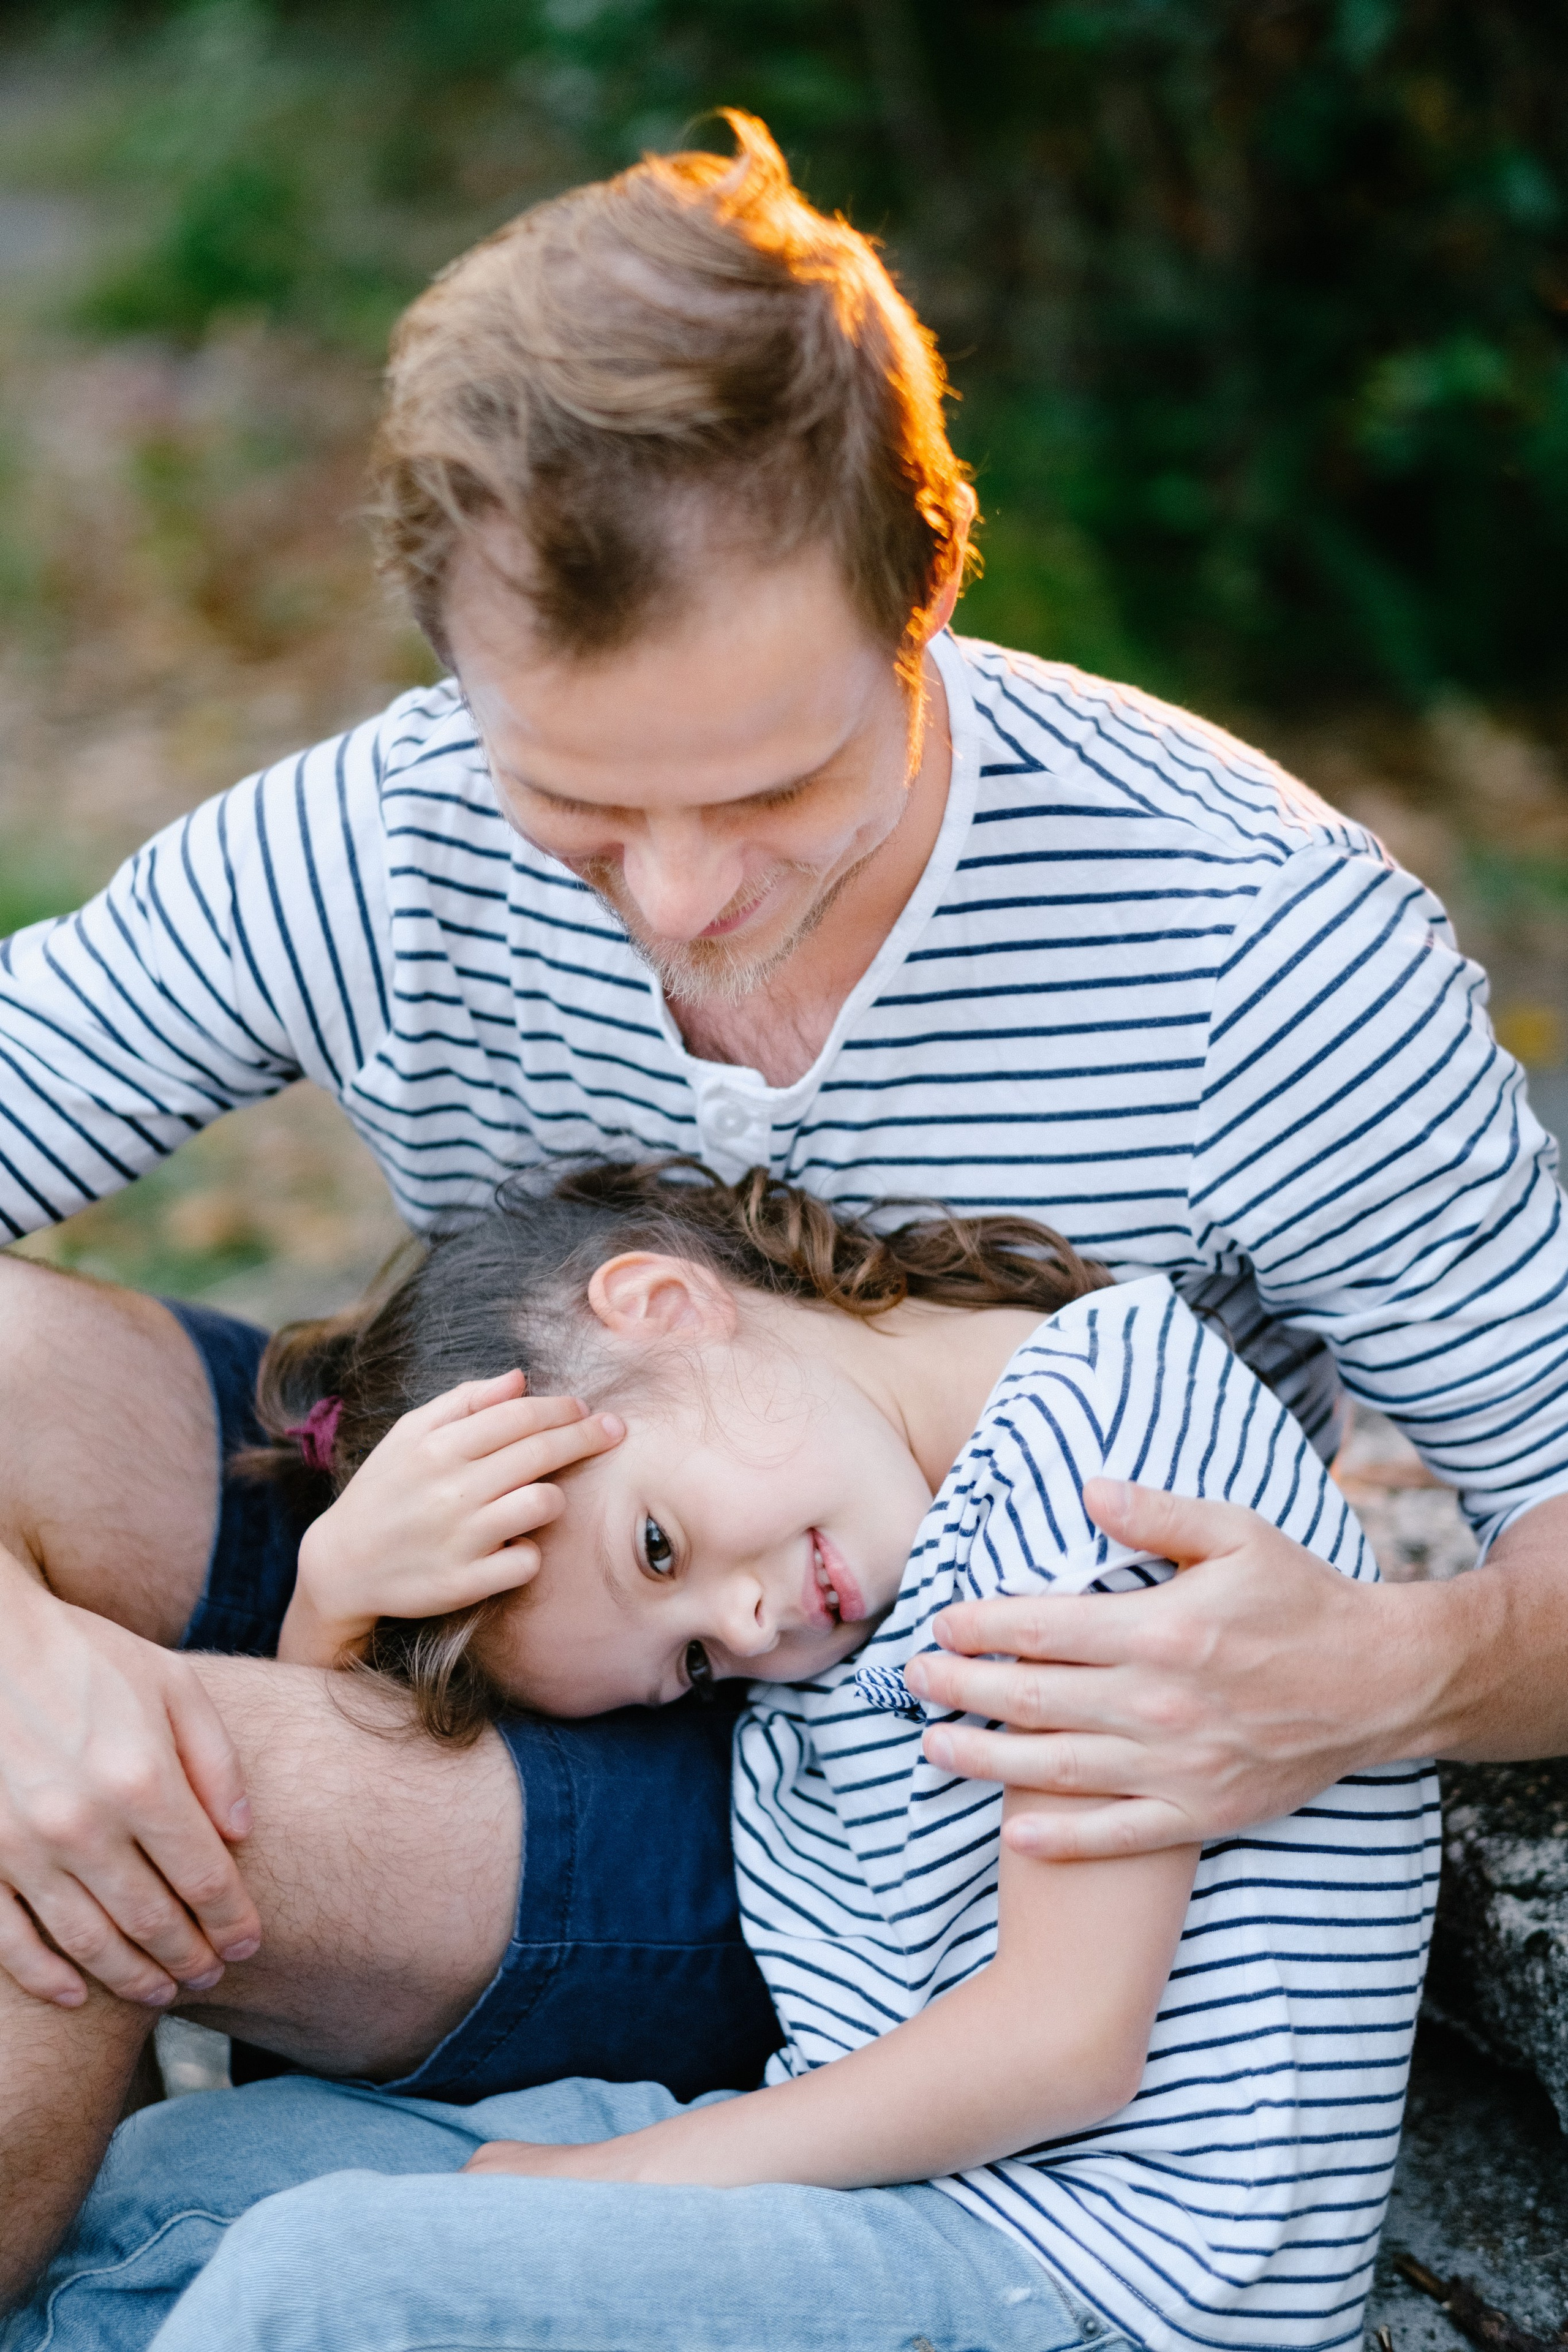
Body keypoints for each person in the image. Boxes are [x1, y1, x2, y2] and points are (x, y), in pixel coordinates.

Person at [0, 107, 1564, 2301]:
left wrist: (1390, 1670)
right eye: (575, 804)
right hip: (532, 1552)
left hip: (906, 1851)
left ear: (929, 599)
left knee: (115, 1813)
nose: (679, 897)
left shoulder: (1258, 953)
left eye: (772, 787)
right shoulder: (376, 838)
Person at [6, 1162, 1436, 2352]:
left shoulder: (1106, 1449)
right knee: (173, 2187)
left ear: (663, 1305)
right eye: (691, 1664)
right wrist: (331, 1601)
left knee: (323, 2282)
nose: (743, 1628)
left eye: (655, 1547)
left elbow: (1061, 2045)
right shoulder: (844, 1572)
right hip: (905, 2181)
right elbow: (339, 1857)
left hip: (1106, 2271)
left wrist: (608, 2183)